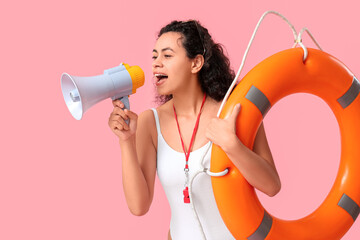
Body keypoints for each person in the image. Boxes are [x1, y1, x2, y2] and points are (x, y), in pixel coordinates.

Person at [108, 20, 281, 240]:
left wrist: (231, 145)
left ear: (196, 63)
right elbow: (139, 206)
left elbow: (272, 186)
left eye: (167, 56)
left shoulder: (234, 111)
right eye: (154, 56)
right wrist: (126, 140)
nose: (156, 64)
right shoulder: (150, 122)